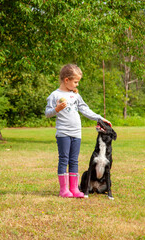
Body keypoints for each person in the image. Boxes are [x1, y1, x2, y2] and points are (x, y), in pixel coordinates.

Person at [45, 64, 112, 198]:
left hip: (76, 133)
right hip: (63, 133)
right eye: (76, 82)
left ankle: (74, 189)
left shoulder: (75, 96)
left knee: (74, 160)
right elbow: (47, 113)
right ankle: (64, 190)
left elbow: (85, 110)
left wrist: (100, 118)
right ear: (66, 80)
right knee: (64, 159)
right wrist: (56, 109)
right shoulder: (55, 95)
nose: (77, 85)